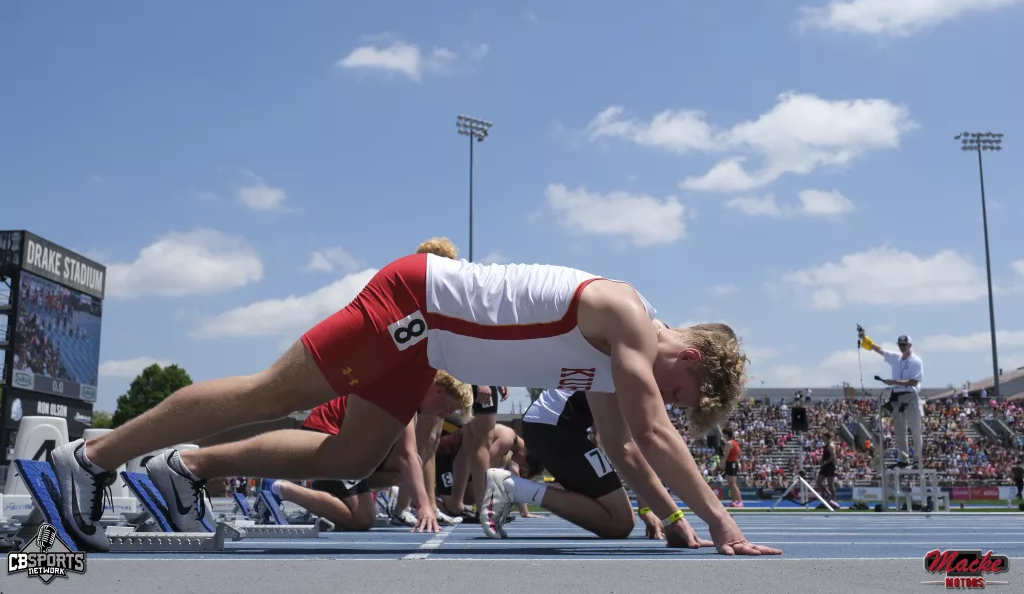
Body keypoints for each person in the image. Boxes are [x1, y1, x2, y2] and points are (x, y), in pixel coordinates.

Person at [53, 239, 778, 556]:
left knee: (353, 455)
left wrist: (671, 517)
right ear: (691, 356)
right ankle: (90, 458)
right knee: (271, 392)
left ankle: (188, 467)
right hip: (415, 303)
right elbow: (651, 434)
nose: (669, 401)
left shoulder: (619, 360)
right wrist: (722, 523)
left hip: (428, 346)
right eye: (680, 392)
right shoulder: (626, 316)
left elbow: (623, 446)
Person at [501, 385, 714, 546]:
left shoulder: (636, 361)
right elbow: (629, 446)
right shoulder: (637, 368)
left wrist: (648, 507)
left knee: (618, 519)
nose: (672, 402)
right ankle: (513, 487)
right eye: (676, 394)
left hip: (550, 424)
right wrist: (671, 517)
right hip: (552, 427)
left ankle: (519, 488)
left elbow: (630, 442)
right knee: (619, 522)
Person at [260, 373, 471, 532]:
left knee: (403, 471)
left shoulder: (410, 396)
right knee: (363, 520)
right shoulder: (404, 395)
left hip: (343, 443)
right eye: (447, 408)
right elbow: (407, 456)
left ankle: (334, 496)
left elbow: (408, 457)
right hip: (326, 437)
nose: (443, 415)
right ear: (439, 391)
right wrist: (424, 506)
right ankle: (278, 488)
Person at [440, 384, 509, 522]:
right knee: (483, 443)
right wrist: (480, 382)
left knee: (468, 444)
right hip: (479, 380)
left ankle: (456, 505)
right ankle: (484, 508)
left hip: (474, 380)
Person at [859, 330, 924, 467]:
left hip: (910, 397)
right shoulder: (895, 358)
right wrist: (865, 338)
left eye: (904, 345)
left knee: (915, 430)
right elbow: (879, 350)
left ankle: (918, 459)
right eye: (900, 345)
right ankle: (903, 459)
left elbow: (914, 381)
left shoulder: (916, 361)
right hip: (897, 397)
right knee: (900, 431)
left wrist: (893, 382)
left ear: (910, 345)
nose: (902, 347)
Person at [814, 431, 839, 508]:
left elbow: (833, 458)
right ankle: (829, 494)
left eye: (823, 436)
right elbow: (825, 455)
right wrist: (821, 460)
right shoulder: (825, 445)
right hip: (824, 466)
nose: (822, 438)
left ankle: (833, 500)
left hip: (829, 466)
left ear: (826, 437)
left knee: (830, 485)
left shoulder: (831, 446)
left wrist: (824, 462)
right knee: (818, 482)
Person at [721, 429, 742, 508]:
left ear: (726, 435)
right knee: (731, 484)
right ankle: (733, 502)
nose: (723, 436)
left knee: (733, 484)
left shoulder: (729, 443)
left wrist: (722, 463)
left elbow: (725, 455)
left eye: (723, 434)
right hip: (733, 463)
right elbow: (739, 453)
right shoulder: (734, 442)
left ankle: (740, 501)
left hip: (731, 463)